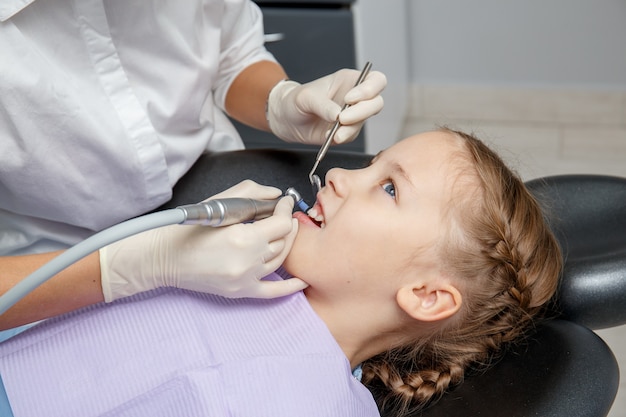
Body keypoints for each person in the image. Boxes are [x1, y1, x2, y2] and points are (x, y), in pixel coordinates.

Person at [0, 128, 562, 416]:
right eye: (370, 165)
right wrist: (150, 256)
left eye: (389, 188)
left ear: (425, 294)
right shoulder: (229, 261)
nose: (340, 175)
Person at [0, 0, 387, 331]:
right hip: (45, 266)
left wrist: (280, 100)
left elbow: (231, 53)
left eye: (391, 186)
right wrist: (136, 265)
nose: (336, 175)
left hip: (209, 191)